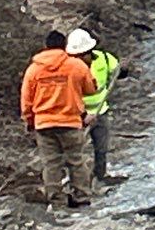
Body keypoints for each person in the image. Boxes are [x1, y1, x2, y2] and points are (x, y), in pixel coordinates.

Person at [20, 30, 97, 209]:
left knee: (51, 164)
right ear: (65, 46)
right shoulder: (76, 66)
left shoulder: (33, 69)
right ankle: (82, 197)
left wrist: (30, 121)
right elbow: (91, 88)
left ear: (46, 47)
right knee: (76, 161)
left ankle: (56, 201)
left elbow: (26, 100)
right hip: (70, 122)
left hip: (43, 124)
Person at [66, 27, 121, 185]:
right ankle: (75, 182)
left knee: (101, 147)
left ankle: (99, 177)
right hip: (76, 115)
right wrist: (83, 115)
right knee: (74, 151)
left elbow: (117, 70)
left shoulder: (104, 59)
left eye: (83, 55)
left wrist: (122, 71)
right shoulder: (68, 67)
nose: (81, 59)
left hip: (99, 112)